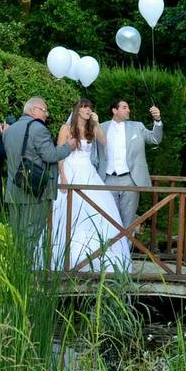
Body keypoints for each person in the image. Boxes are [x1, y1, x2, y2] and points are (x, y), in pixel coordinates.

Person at [51, 99, 131, 273]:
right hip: (70, 171)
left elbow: (103, 141)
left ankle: (97, 256)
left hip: (88, 172)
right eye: (85, 107)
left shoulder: (91, 128)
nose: (88, 110)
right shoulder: (66, 129)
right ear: (78, 110)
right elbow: (59, 154)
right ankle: (66, 258)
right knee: (68, 212)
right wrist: (63, 177)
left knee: (97, 211)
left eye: (90, 108)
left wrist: (96, 122)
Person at [3, 97, 74, 261]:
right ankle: (25, 276)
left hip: (13, 191)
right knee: (30, 235)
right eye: (44, 110)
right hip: (34, 192)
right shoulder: (38, 129)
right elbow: (50, 155)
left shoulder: (9, 130)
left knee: (16, 236)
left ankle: (15, 273)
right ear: (33, 110)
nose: (47, 114)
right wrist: (68, 147)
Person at [97, 100, 163, 228]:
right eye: (124, 107)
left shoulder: (138, 126)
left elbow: (155, 139)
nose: (128, 110)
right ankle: (110, 248)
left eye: (128, 107)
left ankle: (126, 248)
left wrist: (158, 120)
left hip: (130, 179)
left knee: (129, 220)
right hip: (107, 179)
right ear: (114, 111)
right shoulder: (101, 127)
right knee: (108, 220)